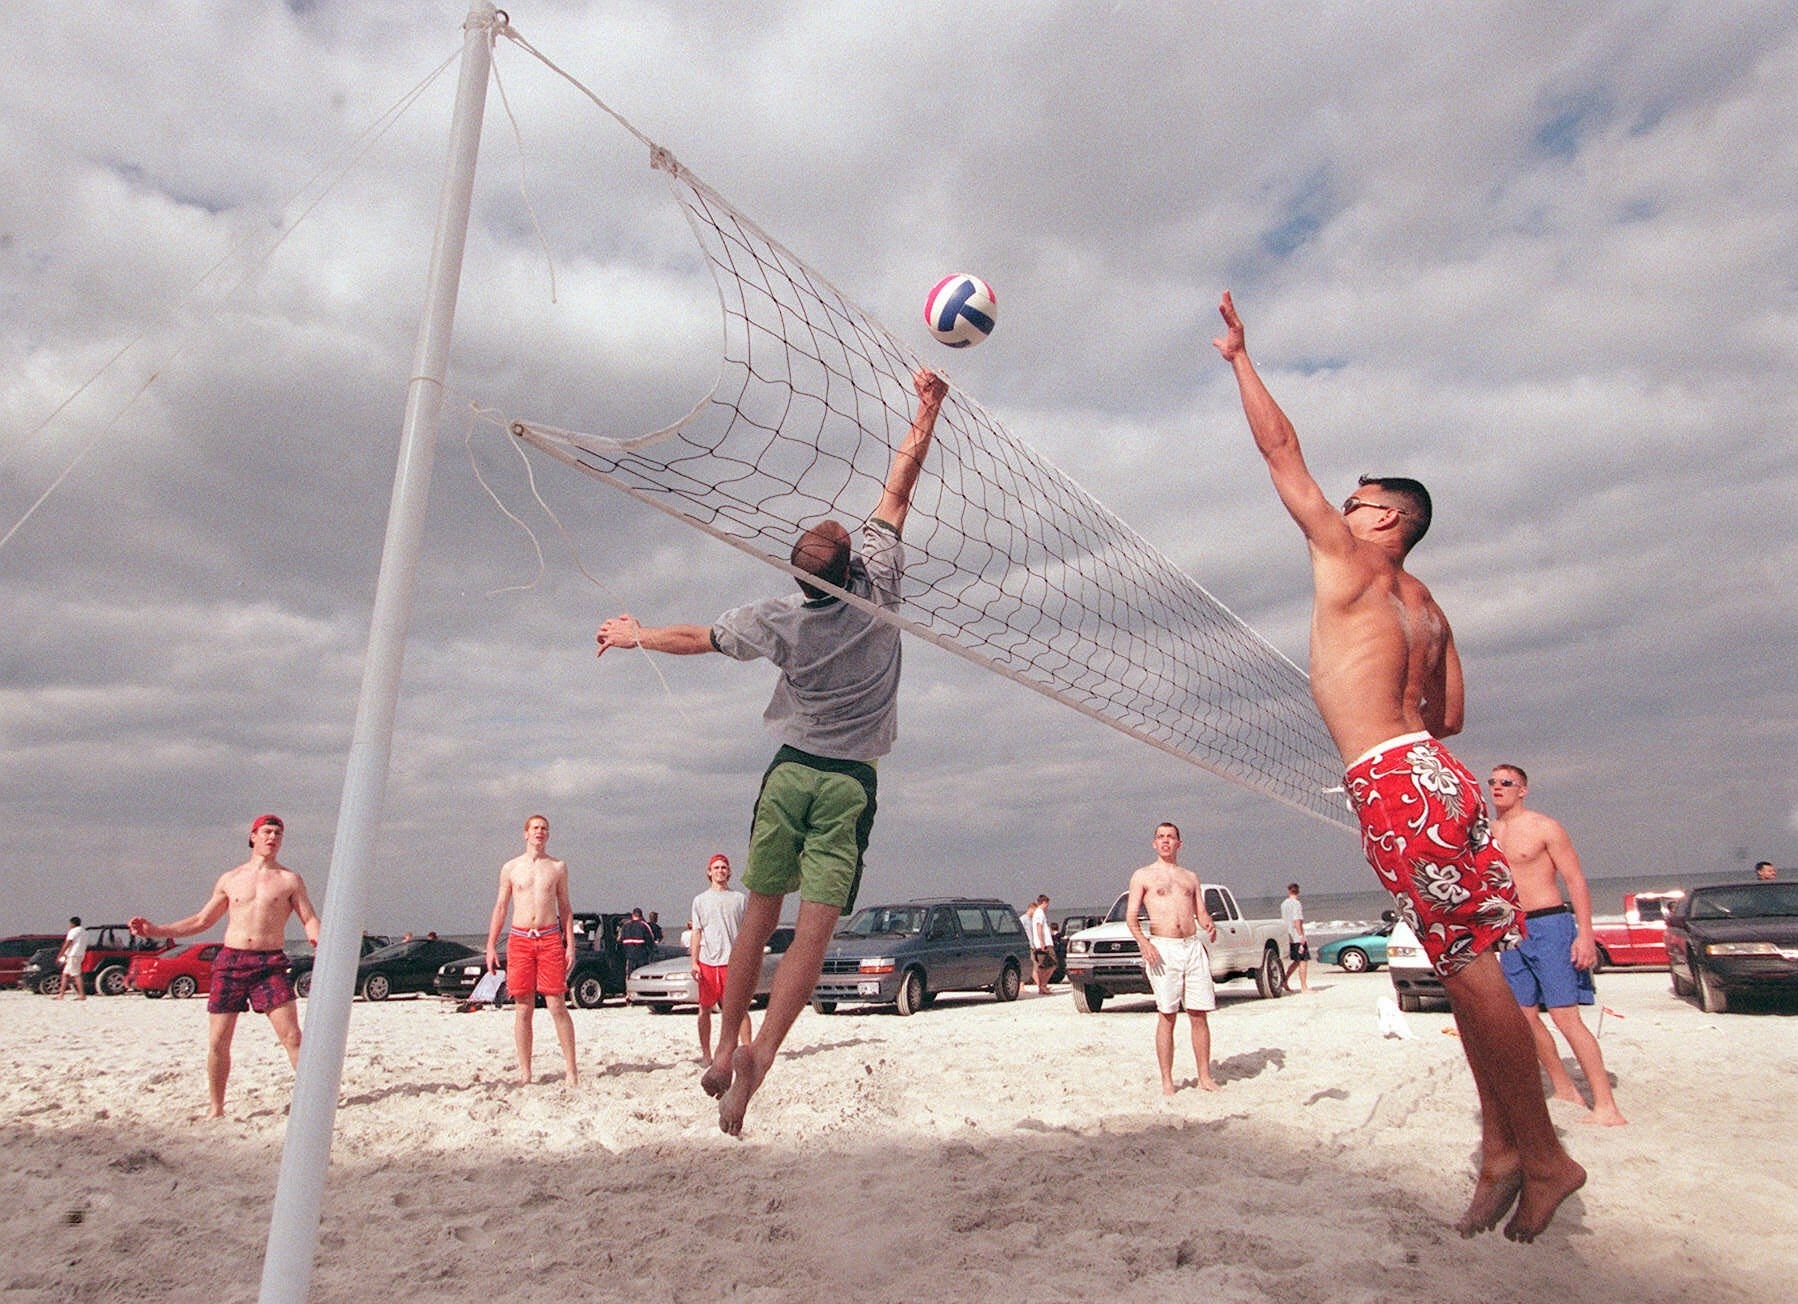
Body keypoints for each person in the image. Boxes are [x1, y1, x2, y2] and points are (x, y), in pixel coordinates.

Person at [1215, 291, 1584, 1242]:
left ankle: (1546, 1155)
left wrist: (1239, 361)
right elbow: (1453, 716)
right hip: (1436, 775)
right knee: (1470, 964)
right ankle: (1504, 1147)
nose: (1339, 508)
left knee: (1469, 969)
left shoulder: (1347, 557)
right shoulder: (1427, 601)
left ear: (1387, 519)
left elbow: (1281, 454)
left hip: (1391, 777)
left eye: (1358, 502)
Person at [596, 365, 949, 1135]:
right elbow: (900, 486)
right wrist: (927, 409)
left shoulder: (786, 617)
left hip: (790, 775)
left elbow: (698, 638)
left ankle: (726, 1044)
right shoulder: (880, 585)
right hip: (849, 783)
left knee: (757, 917)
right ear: (853, 566)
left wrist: (635, 635)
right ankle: (758, 1060)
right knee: (812, 938)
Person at [129, 815, 320, 1117]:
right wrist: (155, 931)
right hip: (231, 961)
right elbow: (201, 921)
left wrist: (318, 939)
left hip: (269, 963)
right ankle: (216, 1108)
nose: (273, 837)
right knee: (219, 1041)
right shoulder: (231, 878)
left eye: (278, 833)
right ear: (253, 836)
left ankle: (314, 1101)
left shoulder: (289, 880)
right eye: (267, 832)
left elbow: (308, 919)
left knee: (293, 1037)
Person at [1489, 765, 1627, 1126]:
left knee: (1566, 1018)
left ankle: (1607, 1107)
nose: (1497, 787)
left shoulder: (1545, 828)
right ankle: (1565, 1087)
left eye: (1506, 782)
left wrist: (1585, 934)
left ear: (1523, 790)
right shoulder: (1489, 833)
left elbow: (1575, 880)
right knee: (1524, 1018)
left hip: (1550, 924)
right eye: (1492, 782)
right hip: (1512, 930)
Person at [1126, 823, 1220, 1095]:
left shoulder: (1190, 877)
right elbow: (1131, 917)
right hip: (1163, 948)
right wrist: (1145, 944)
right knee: (1167, 1014)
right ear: (1154, 843)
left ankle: (1204, 1077)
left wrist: (1209, 924)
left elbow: (1199, 912)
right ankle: (1167, 1081)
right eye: (1161, 837)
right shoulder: (1143, 876)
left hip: (1191, 947)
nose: (1166, 841)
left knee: (1199, 1014)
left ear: (1180, 843)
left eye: (1171, 837)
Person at [484, 814, 578, 1086]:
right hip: (520, 938)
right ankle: (525, 1072)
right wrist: (490, 945)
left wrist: (569, 944)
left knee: (557, 1005)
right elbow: (501, 907)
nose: (540, 832)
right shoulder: (511, 868)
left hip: (549, 938)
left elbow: (565, 907)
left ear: (548, 834)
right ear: (525, 833)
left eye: (544, 828)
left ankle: (571, 1070)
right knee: (523, 1007)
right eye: (535, 828)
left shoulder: (558, 867)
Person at [689, 855, 752, 1062]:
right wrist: (694, 962)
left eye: (724, 867)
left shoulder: (739, 899)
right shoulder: (700, 900)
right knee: (704, 1009)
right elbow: (697, 932)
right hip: (708, 962)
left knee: (739, 1008)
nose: (720, 871)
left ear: (729, 871)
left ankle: (747, 1051)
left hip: (732, 962)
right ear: (709, 872)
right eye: (716, 867)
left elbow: (748, 932)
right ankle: (706, 1054)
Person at [1281, 883, 1311, 993]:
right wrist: (1301, 936)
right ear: (1298, 891)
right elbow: (1297, 921)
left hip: (1288, 936)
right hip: (1296, 936)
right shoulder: (1296, 904)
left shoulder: (1284, 904)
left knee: (1297, 961)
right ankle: (1304, 987)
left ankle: (1284, 980)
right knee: (1303, 961)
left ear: (1289, 891)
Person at [1024, 894, 1056, 994]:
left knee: (1044, 966)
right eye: (1047, 904)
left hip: (1042, 943)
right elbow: (1039, 927)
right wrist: (1042, 943)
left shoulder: (1038, 913)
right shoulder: (1039, 913)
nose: (1048, 907)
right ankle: (1042, 985)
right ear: (1044, 903)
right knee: (1052, 964)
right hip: (1044, 943)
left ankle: (1043, 986)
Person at [55, 916, 87, 1001]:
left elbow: (68, 942)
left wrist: (61, 954)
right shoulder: (84, 931)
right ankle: (61, 994)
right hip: (79, 954)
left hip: (74, 955)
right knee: (65, 974)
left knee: (76, 974)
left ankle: (82, 995)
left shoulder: (73, 931)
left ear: (72, 923)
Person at [619, 908, 657, 974]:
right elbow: (651, 941)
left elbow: (620, 940)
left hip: (630, 957)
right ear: (641, 916)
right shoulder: (644, 925)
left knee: (630, 975)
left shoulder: (625, 926)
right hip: (642, 957)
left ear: (632, 915)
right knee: (642, 975)